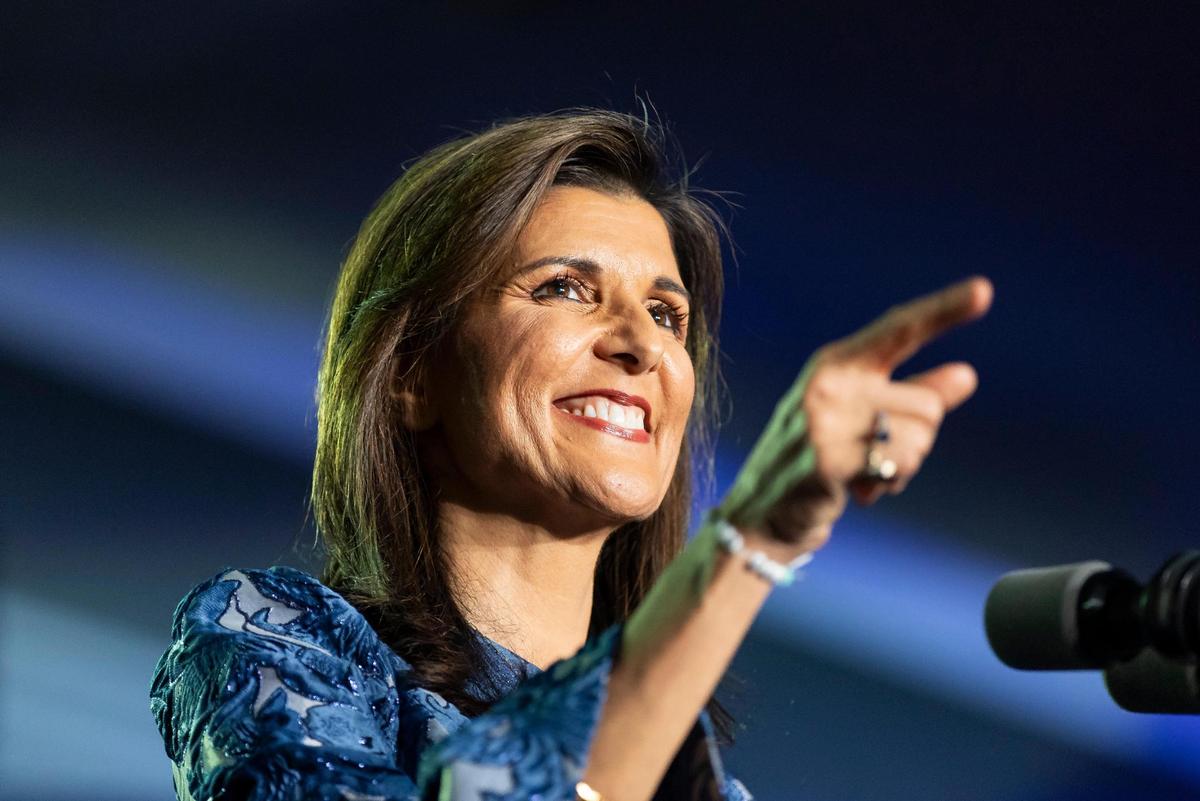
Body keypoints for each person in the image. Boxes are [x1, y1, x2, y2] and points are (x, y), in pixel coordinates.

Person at [150, 108, 991, 801]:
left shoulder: (702, 787)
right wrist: (752, 539)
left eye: (667, 315)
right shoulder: (279, 639)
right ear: (411, 374)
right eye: (563, 288)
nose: (640, 345)